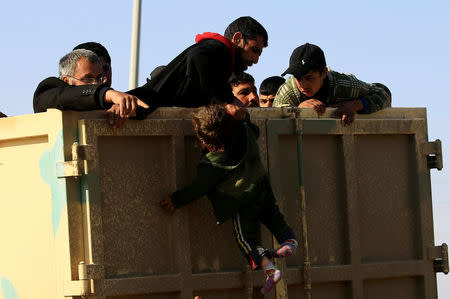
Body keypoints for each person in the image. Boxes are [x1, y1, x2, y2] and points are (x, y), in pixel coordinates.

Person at [160, 104, 298, 294]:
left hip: (240, 202)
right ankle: (289, 241)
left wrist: (175, 200)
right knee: (275, 217)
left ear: (206, 141)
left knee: (246, 238)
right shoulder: (246, 133)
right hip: (262, 188)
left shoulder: (212, 164)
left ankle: (270, 269)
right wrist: (243, 118)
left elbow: (198, 188)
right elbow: (255, 129)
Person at [128, 16, 268, 119]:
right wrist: (224, 101)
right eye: (254, 50)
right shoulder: (220, 49)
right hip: (136, 105)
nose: (255, 60)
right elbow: (197, 55)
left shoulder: (220, 59)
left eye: (259, 54)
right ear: (237, 38)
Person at [273, 43, 390, 125]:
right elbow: (273, 115)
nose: (303, 85)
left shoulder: (344, 85)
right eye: (298, 78)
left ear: (324, 73)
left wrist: (356, 105)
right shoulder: (287, 91)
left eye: (309, 78)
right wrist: (298, 109)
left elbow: (383, 95)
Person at [33, 49, 149, 128]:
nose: (95, 84)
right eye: (87, 78)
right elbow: (61, 97)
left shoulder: (108, 104)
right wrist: (107, 94)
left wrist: (124, 107)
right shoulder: (48, 91)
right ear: (66, 81)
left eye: (98, 78)